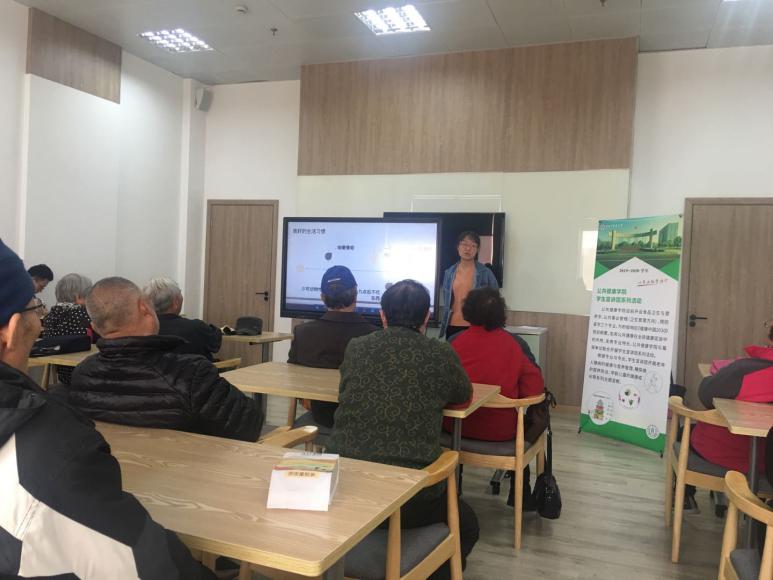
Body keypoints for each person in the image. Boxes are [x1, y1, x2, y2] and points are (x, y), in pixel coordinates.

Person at [0, 239, 215, 579]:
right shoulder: (48, 450)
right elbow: (147, 567)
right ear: (10, 333)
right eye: (35, 308)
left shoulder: (83, 377)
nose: (41, 324)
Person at [326, 280, 479, 578]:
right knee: (467, 524)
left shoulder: (357, 348)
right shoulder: (439, 353)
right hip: (410, 498)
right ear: (427, 317)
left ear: (382, 315)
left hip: (343, 486)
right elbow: (463, 395)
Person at [64, 277, 263, 442]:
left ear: (95, 327)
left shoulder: (82, 373)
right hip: (190, 471)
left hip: (117, 470)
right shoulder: (190, 374)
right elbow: (250, 425)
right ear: (145, 308)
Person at [443, 287, 545, 508]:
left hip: (455, 430)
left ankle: (454, 491)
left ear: (467, 311)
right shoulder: (514, 344)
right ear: (501, 312)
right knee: (530, 423)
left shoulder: (454, 342)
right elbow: (535, 389)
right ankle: (521, 494)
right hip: (500, 433)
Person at [287, 265, 378, 428]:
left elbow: (293, 375)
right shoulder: (375, 335)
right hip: (364, 418)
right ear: (356, 294)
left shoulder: (303, 333)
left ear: (322, 297)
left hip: (321, 417)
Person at [689, 324, 773, 474]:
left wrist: (716, 376)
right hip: (763, 460)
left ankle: (688, 486)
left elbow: (705, 394)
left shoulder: (747, 370)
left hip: (735, 455)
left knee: (687, 432)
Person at [439, 230, 499, 339]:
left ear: (477, 250)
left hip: (476, 326)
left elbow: (495, 301)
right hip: (452, 324)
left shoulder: (485, 273)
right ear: (458, 247)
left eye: (473, 246)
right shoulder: (449, 272)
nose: (468, 248)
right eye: (464, 244)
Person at [143, 277, 222, 360]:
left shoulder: (141, 330)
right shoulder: (196, 327)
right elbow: (215, 343)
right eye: (180, 294)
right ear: (175, 303)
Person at [40, 272, 94, 384]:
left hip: (62, 373)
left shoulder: (50, 315)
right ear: (77, 296)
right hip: (87, 374)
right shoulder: (84, 314)